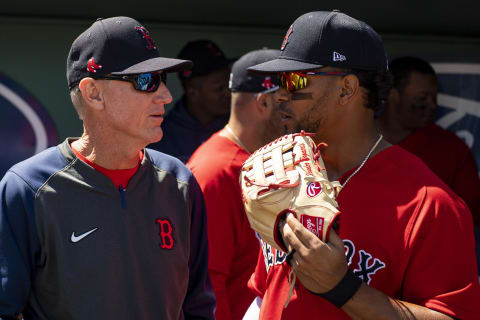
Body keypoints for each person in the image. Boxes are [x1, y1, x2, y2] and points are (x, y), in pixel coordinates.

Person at [246, 10, 480, 319]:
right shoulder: (286, 172)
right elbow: (267, 297)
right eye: (279, 80)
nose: (280, 95)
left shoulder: (430, 204)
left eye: (295, 79)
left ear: (346, 89)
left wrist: (343, 288)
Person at [0, 17, 215, 320]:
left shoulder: (180, 182)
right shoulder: (27, 188)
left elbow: (198, 308)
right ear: (93, 93)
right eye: (146, 80)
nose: (166, 95)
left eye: (163, 79)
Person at [187, 48, 294, 320]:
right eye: (287, 101)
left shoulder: (253, 162)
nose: (294, 113)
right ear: (264, 104)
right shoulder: (217, 172)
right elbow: (206, 285)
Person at [376, 56, 480, 227]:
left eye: (434, 97)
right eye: (423, 97)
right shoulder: (357, 138)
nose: (432, 105)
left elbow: (470, 212)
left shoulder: (451, 149)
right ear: (392, 94)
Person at [149, 39, 231, 163]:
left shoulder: (238, 127)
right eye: (219, 88)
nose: (228, 93)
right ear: (193, 93)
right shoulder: (159, 137)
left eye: (229, 85)